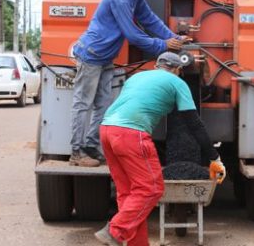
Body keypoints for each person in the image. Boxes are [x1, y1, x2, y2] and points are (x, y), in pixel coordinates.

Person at [94, 52, 226, 246]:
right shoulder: (177, 82)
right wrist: (214, 157)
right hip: (132, 134)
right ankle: (115, 231)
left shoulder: (137, 77)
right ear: (177, 69)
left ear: (157, 65)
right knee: (151, 189)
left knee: (130, 194)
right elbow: (194, 124)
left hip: (107, 130)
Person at [69, 0, 189, 167]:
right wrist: (163, 45)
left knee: (104, 104)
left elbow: (150, 20)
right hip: (91, 54)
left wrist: (174, 38)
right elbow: (132, 35)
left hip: (105, 57)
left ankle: (91, 147)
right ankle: (76, 153)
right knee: (83, 104)